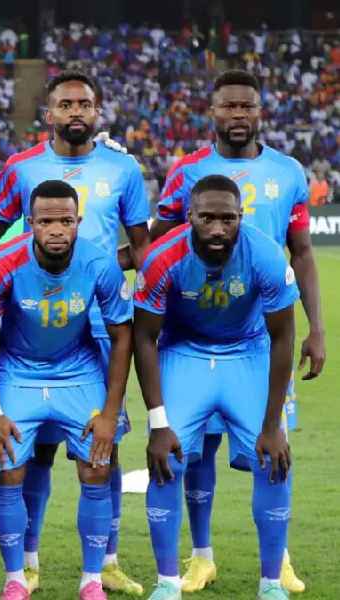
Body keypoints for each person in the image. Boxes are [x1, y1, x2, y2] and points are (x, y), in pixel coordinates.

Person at [0, 70, 149, 596]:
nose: (75, 111)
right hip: (29, 328)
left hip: (95, 332)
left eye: (84, 104)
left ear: (97, 110)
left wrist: (103, 272)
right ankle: (25, 566)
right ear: (48, 113)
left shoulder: (122, 167)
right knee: (32, 456)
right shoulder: (22, 168)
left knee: (104, 450)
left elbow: (141, 246)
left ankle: (104, 564)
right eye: (65, 104)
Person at [151, 70, 323, 594]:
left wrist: (316, 328)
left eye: (247, 106)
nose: (239, 115)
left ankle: (278, 559)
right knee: (195, 452)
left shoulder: (288, 172)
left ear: (260, 111)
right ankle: (201, 556)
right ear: (213, 112)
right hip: (193, 333)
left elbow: (302, 252)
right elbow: (159, 244)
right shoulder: (186, 171)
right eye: (229, 106)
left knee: (274, 449)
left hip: (260, 333)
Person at [135, 174, 297, 600]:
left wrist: (273, 424)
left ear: (241, 216)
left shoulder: (264, 253)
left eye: (228, 219)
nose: (218, 229)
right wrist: (158, 422)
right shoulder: (162, 258)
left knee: (275, 460)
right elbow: (143, 337)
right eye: (207, 218)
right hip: (184, 353)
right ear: (189, 216)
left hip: (247, 353)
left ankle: (271, 584)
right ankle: (167, 583)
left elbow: (283, 337)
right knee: (167, 459)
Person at [0, 180, 133, 600]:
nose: (56, 230)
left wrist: (110, 413)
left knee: (96, 468)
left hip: (79, 372)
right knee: (8, 469)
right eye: (46, 222)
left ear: (78, 221)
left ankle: (91, 580)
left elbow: (122, 337)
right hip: (18, 372)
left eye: (66, 221)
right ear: (30, 223)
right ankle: (16, 578)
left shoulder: (99, 263)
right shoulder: (3, 263)